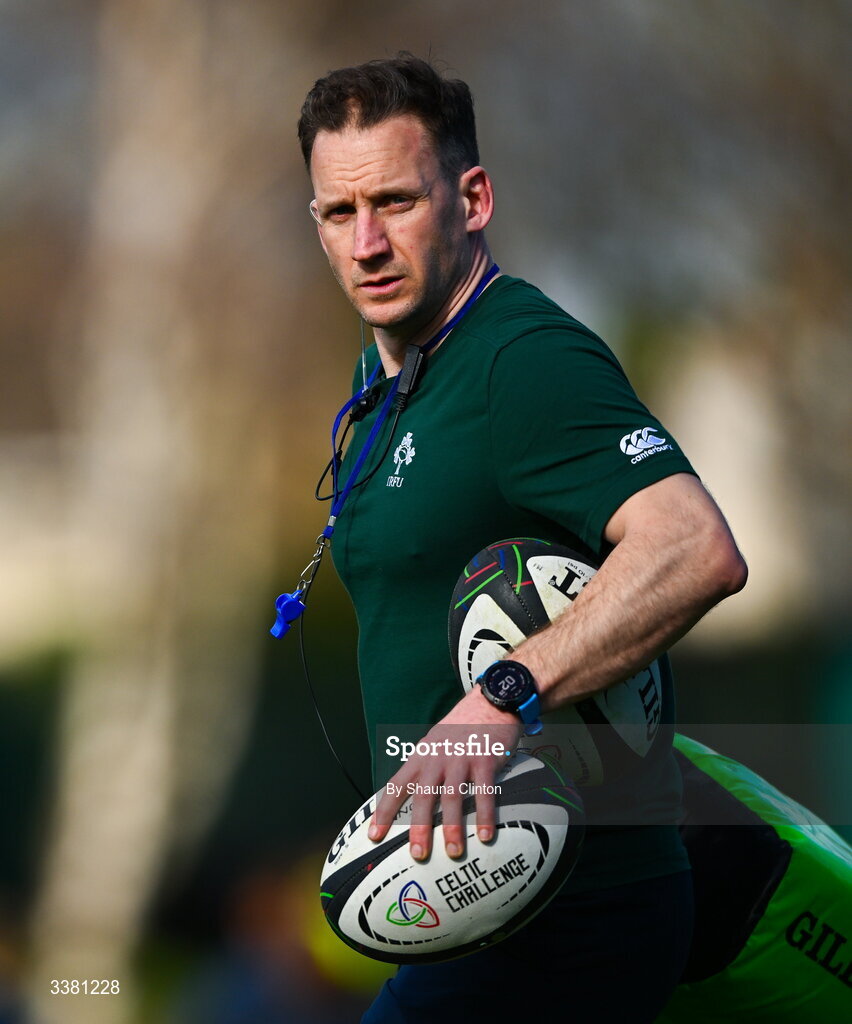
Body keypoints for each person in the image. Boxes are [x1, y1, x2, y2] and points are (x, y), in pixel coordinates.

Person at [296, 53, 747, 1022]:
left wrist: (505, 693)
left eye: (395, 202)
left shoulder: (524, 361)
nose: (367, 242)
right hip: (476, 902)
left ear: (473, 198)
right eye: (339, 213)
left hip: (577, 913)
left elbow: (693, 545)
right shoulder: (390, 376)